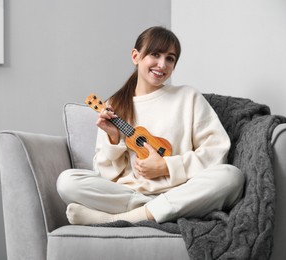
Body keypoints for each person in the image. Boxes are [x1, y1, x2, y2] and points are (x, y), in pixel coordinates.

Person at [56, 26, 244, 225]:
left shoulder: (188, 97)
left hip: (180, 189)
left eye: (170, 58)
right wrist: (114, 139)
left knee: (231, 177)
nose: (162, 64)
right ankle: (158, 210)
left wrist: (166, 166)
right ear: (136, 56)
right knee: (67, 181)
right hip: (130, 194)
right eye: (155, 54)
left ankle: (119, 218)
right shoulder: (114, 106)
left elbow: (217, 151)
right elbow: (104, 174)